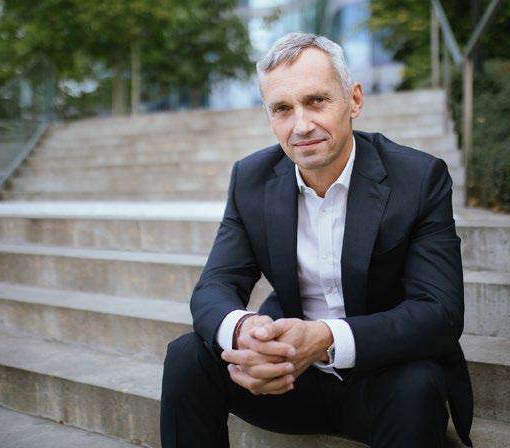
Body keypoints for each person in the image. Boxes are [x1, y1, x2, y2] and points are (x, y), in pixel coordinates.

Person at [160, 32, 473, 448]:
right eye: (282, 109)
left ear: (354, 100)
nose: (301, 125)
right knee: (186, 357)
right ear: (269, 117)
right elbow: (214, 286)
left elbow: (440, 312)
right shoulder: (251, 180)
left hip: (383, 377)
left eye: (316, 101)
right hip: (289, 379)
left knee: (418, 385)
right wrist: (244, 332)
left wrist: (326, 338)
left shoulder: (418, 178)